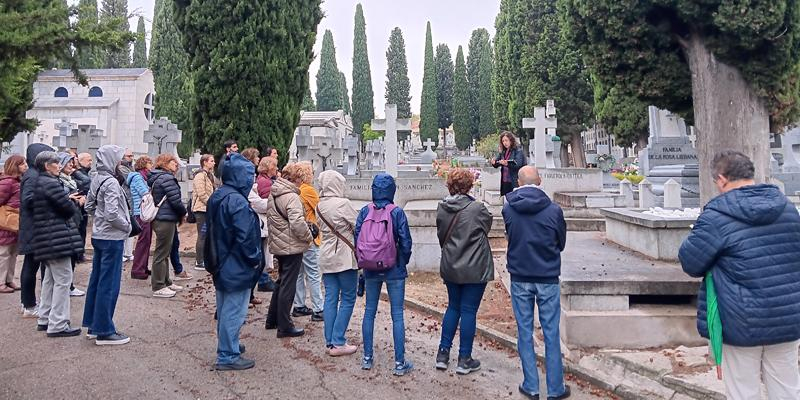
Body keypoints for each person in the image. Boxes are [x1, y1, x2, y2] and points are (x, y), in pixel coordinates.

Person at [679, 150, 800, 400]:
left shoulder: (716, 217)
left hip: (741, 319)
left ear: (722, 179)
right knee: (787, 389)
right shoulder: (788, 209)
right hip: (787, 315)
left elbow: (691, 262)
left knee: (743, 391)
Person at [503, 166, 570, 400]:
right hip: (547, 275)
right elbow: (561, 242)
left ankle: (531, 385)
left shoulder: (509, 208)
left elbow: (511, 236)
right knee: (551, 333)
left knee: (524, 331)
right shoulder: (554, 210)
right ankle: (555, 388)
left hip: (520, 274)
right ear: (539, 181)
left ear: (519, 183)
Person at [434, 169, 494, 374]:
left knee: (453, 307)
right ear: (469, 186)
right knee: (468, 310)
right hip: (474, 265)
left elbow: (441, 234)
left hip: (451, 263)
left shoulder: (442, 207)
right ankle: (464, 358)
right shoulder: (477, 208)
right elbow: (486, 226)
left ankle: (443, 354)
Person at [207, 152, 262, 370]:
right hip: (235, 262)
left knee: (225, 307)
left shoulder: (220, 194)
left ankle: (229, 344)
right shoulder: (237, 201)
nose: (251, 180)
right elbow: (245, 237)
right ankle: (228, 355)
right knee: (234, 310)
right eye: (249, 175)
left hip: (221, 259)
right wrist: (255, 258)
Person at [356, 173, 414, 376]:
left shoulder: (365, 211)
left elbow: (357, 238)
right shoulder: (397, 212)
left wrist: (365, 261)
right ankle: (399, 363)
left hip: (370, 267)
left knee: (369, 312)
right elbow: (406, 242)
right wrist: (401, 261)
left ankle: (367, 358)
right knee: (397, 315)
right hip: (394, 268)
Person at [30, 151, 85, 337]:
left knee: (50, 280)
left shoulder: (40, 182)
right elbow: (67, 209)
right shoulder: (51, 183)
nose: (59, 165)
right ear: (47, 166)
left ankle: (45, 318)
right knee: (63, 280)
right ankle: (58, 324)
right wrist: (76, 202)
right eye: (56, 162)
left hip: (47, 238)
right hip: (57, 238)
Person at [83, 145, 131, 345]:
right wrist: (126, 225)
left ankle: (94, 325)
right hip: (112, 238)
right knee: (109, 284)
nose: (121, 162)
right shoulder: (111, 182)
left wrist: (100, 220)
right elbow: (112, 214)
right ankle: (104, 330)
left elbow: (89, 206)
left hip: (99, 235)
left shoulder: (97, 178)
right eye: (118, 158)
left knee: (97, 280)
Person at [265, 163, 313, 338]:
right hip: (291, 244)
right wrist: (309, 236)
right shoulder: (291, 196)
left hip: (279, 243)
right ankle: (285, 326)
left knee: (281, 281)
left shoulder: (275, 192)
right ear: (296, 178)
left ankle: (272, 319)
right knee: (288, 285)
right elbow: (297, 223)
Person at [316, 170, 358, 356]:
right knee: (348, 297)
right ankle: (338, 341)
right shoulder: (343, 203)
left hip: (326, 253)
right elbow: (357, 224)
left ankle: (330, 341)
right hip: (344, 255)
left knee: (331, 297)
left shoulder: (319, 205)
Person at [18, 143, 53, 317]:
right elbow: (28, 199)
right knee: (31, 266)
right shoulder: (32, 176)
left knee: (32, 265)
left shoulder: (34, 173)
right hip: (34, 227)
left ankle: (28, 302)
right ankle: (28, 304)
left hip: (35, 226)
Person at [147, 154, 187, 298]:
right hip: (165, 218)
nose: (176, 164)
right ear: (164, 163)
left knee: (165, 251)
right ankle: (158, 285)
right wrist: (184, 212)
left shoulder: (158, 177)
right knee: (161, 253)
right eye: (172, 162)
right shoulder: (167, 178)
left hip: (163, 217)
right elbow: (175, 200)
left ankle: (166, 281)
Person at [292, 161, 324, 321]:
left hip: (297, 236)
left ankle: (299, 305)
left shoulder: (296, 190)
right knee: (314, 273)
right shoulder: (308, 190)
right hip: (310, 236)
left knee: (299, 273)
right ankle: (318, 308)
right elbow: (320, 209)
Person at [240, 148, 268, 306]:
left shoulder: (252, 179)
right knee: (255, 262)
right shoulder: (244, 182)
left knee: (260, 262)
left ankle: (249, 294)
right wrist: (273, 202)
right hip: (253, 224)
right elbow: (256, 203)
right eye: (256, 157)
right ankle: (246, 295)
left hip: (257, 224)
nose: (258, 159)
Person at [56, 153, 86, 297]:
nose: (71, 165)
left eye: (72, 162)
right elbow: (58, 201)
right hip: (66, 222)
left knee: (72, 256)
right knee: (65, 258)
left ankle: (70, 285)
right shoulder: (58, 181)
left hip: (75, 219)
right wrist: (73, 200)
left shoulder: (70, 179)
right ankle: (66, 287)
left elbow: (86, 181)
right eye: (68, 162)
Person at [0, 155, 27, 293]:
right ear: (15, 166)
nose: (25, 165)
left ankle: (9, 279)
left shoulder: (18, 181)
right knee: (4, 254)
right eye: (22, 164)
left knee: (13, 253)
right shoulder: (7, 182)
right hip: (5, 224)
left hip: (14, 223)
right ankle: (1, 282)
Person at [191, 154, 219, 270]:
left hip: (208, 209)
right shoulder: (200, 176)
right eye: (211, 161)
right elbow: (201, 193)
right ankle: (199, 261)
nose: (214, 163)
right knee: (202, 235)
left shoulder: (210, 175)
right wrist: (211, 204)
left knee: (208, 235)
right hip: (201, 209)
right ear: (205, 162)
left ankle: (206, 258)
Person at [255, 155, 278, 292]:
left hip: (264, 221)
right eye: (274, 166)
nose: (276, 168)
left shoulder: (265, 180)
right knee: (262, 253)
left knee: (263, 252)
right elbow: (267, 202)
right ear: (269, 168)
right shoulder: (265, 182)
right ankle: (263, 280)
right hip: (263, 221)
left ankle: (264, 279)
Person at [128, 156, 153, 279]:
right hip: (141, 212)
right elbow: (144, 193)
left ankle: (143, 267)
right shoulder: (137, 177)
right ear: (143, 164)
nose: (151, 165)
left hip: (144, 211)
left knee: (147, 241)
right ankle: (137, 269)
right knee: (143, 241)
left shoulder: (143, 177)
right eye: (149, 163)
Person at [490, 131, 525, 197]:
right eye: (503, 141)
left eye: (506, 140)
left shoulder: (518, 150)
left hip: (514, 180)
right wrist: (494, 162)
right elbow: (497, 162)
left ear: (511, 140)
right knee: (505, 199)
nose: (504, 143)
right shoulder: (503, 151)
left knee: (514, 198)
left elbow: (518, 164)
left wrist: (507, 164)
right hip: (505, 181)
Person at [73, 152, 92, 262]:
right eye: (88, 160)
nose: (91, 162)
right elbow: (86, 183)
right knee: (79, 231)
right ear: (81, 161)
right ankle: (78, 255)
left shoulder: (84, 173)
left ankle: (80, 254)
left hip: (83, 205)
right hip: (78, 205)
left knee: (82, 231)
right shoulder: (77, 173)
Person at [117, 149, 135, 262]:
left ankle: (128, 252)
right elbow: (129, 180)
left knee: (131, 226)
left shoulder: (130, 167)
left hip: (131, 199)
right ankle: (123, 253)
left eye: (132, 155)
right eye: (129, 156)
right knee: (124, 226)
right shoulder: (121, 168)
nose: (131, 158)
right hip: (125, 199)